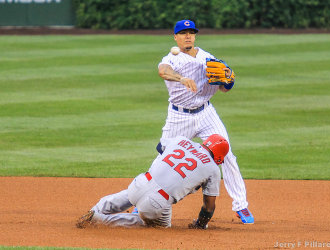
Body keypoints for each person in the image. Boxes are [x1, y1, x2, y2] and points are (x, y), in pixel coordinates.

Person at [156, 19, 254, 224]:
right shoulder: (171, 59)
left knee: (227, 155)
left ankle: (241, 205)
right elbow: (163, 71)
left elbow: (224, 88)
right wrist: (182, 79)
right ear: (175, 37)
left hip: (206, 114)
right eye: (183, 33)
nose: (188, 36)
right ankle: (145, 200)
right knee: (164, 159)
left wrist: (228, 80)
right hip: (178, 116)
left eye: (191, 32)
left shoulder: (207, 58)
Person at [76, 134, 229, 229]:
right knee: (157, 226)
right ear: (219, 157)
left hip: (141, 181)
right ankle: (100, 220)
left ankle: (97, 208)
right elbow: (208, 207)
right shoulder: (213, 169)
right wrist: (200, 225)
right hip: (156, 203)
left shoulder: (182, 140)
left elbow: (159, 147)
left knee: (130, 195)